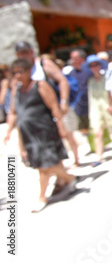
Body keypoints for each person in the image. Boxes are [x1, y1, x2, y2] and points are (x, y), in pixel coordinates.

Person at [3, 58, 78, 213]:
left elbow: (53, 107)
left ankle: (42, 197)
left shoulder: (40, 85)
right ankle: (69, 178)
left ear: (29, 70)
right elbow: (13, 112)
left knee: (43, 167)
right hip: (28, 134)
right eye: (14, 72)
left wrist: (61, 126)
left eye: (20, 72)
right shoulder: (16, 90)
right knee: (46, 164)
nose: (17, 75)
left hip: (45, 131)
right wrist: (10, 132)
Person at [86, 55, 112, 166]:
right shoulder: (90, 81)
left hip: (108, 106)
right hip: (95, 109)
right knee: (97, 133)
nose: (94, 67)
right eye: (91, 65)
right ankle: (99, 157)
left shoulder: (107, 78)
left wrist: (110, 105)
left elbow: (110, 93)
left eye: (96, 64)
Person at [68, 49, 93, 134]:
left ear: (82, 59)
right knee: (83, 128)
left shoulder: (90, 71)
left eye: (75, 58)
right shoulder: (72, 73)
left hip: (91, 104)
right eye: (72, 58)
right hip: (79, 106)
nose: (72, 60)